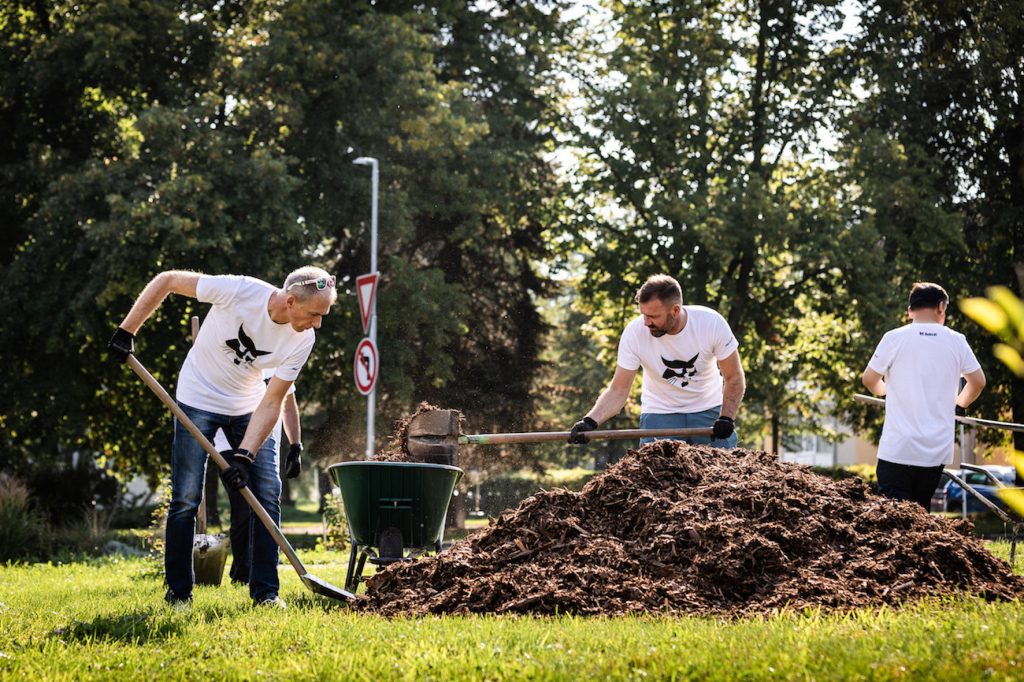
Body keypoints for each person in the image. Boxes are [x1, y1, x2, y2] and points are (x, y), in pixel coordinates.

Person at [108, 267, 336, 608]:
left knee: (268, 493)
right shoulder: (240, 291)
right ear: (290, 300)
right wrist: (128, 330)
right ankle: (180, 594)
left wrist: (244, 455)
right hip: (197, 397)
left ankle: (266, 592)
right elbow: (168, 280)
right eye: (315, 314)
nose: (318, 324)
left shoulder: (303, 340)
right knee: (185, 497)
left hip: (249, 406)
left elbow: (273, 400)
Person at [569, 274, 745, 448]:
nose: (646, 322)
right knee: (654, 472)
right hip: (660, 412)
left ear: (675, 310)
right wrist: (590, 421)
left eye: (653, 316)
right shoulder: (634, 333)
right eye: (643, 314)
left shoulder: (711, 323)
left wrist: (726, 417)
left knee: (725, 470)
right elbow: (618, 389)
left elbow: (734, 377)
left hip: (709, 410)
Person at [862, 282, 986, 511]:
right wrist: (960, 404)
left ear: (910, 310)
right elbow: (978, 382)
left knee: (891, 518)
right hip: (935, 451)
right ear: (941, 307)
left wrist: (888, 392)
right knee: (920, 517)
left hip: (898, 449)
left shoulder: (894, 338)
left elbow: (869, 379)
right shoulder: (956, 340)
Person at [213, 369, 304, 585]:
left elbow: (288, 407)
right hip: (228, 441)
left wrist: (295, 446)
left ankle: (262, 574)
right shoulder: (242, 358)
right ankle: (242, 572)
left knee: (266, 503)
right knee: (243, 503)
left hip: (265, 444)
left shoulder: (281, 363)